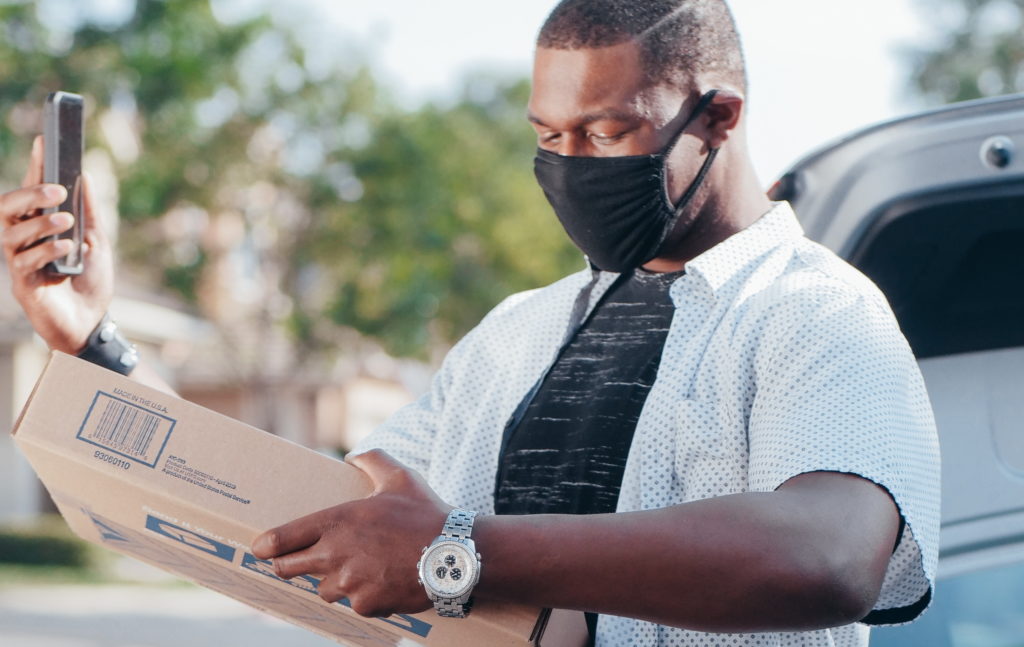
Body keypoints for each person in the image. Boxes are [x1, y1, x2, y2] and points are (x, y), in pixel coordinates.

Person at [1, 1, 939, 645]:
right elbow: (322, 518)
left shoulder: (816, 310)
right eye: (548, 136)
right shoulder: (515, 334)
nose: (570, 164)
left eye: (607, 134)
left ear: (719, 117)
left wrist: (460, 551)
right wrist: (92, 339)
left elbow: (830, 552)